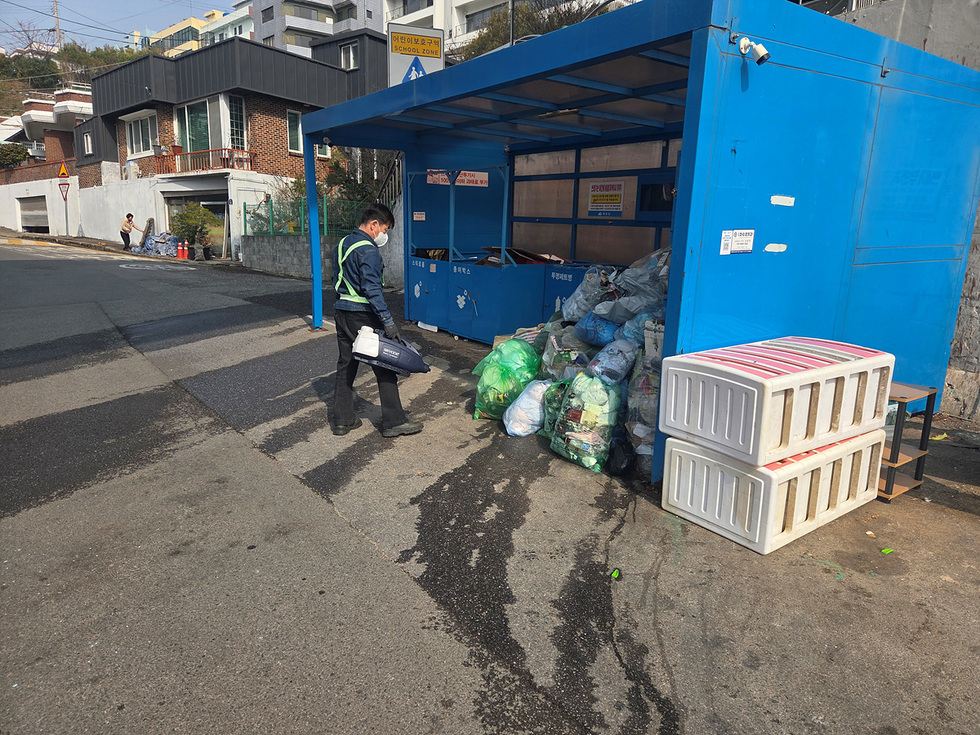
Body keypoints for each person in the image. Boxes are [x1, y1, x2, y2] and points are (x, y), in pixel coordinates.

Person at [332, 203, 423, 438]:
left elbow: (337, 278)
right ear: (374, 224)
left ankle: (343, 421)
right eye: (385, 229)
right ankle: (393, 422)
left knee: (346, 365)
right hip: (362, 315)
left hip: (342, 312)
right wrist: (388, 322)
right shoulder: (369, 251)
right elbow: (372, 289)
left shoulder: (342, 244)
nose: (385, 234)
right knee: (384, 367)